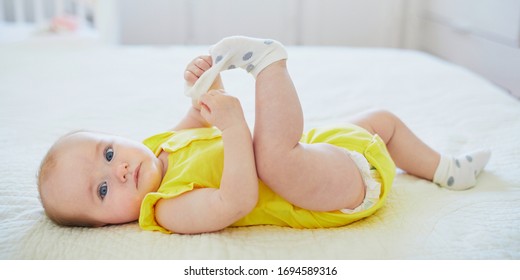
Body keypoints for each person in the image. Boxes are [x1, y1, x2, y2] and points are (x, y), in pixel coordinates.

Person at [37, 36, 491, 234]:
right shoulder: (165, 208)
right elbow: (236, 200)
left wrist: (205, 86)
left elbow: (199, 118)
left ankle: (444, 169)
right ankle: (269, 62)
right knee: (271, 157)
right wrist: (234, 125)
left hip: (316, 151)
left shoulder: (159, 147)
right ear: (104, 224)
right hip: (316, 191)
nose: (118, 172)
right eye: (100, 189)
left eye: (109, 152)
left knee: (381, 122)